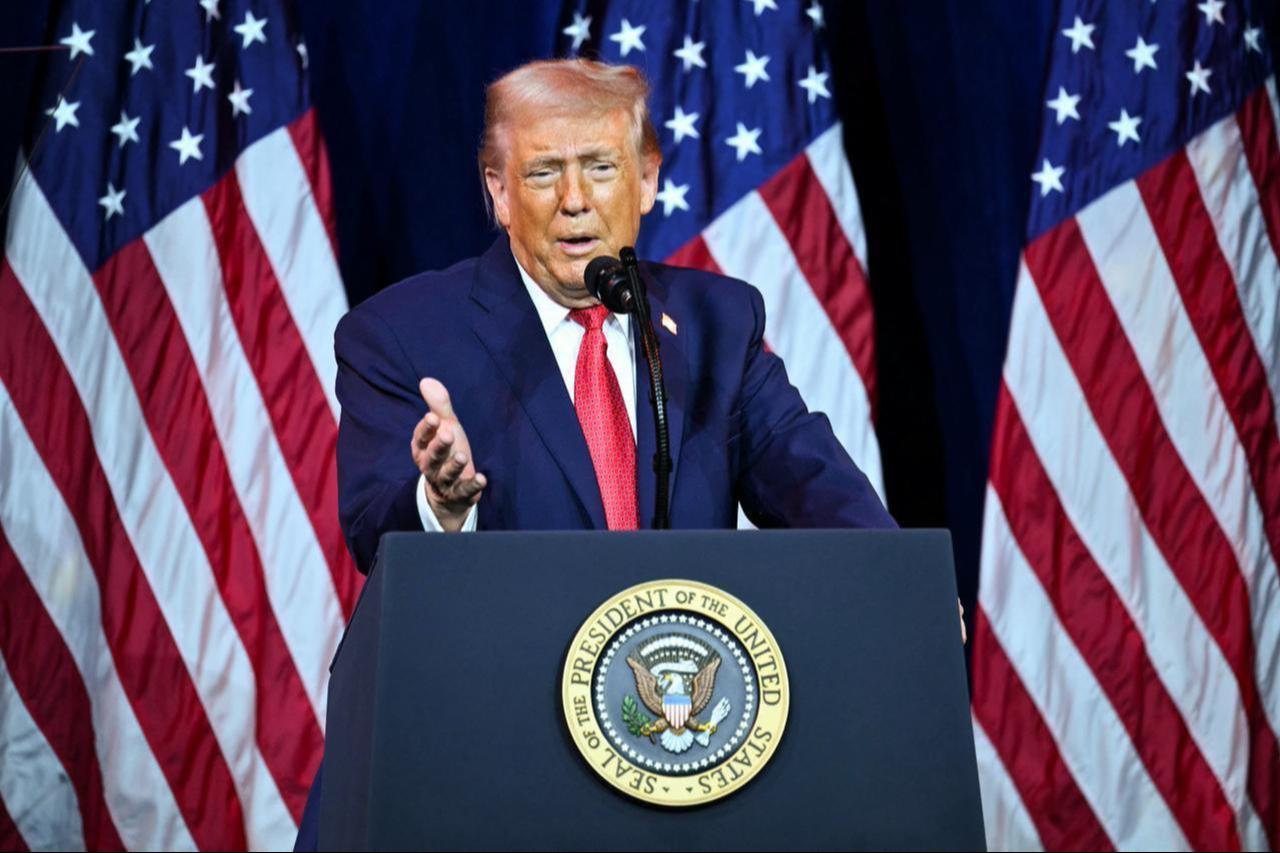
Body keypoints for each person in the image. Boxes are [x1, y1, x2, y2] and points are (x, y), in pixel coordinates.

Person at [333, 57, 895, 578]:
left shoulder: (717, 322)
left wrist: (902, 584)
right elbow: (369, 532)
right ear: (500, 193)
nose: (575, 200)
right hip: (506, 675)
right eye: (543, 173)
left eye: (601, 167)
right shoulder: (402, 334)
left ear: (647, 181)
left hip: (675, 674)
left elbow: (811, 484)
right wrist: (439, 505)